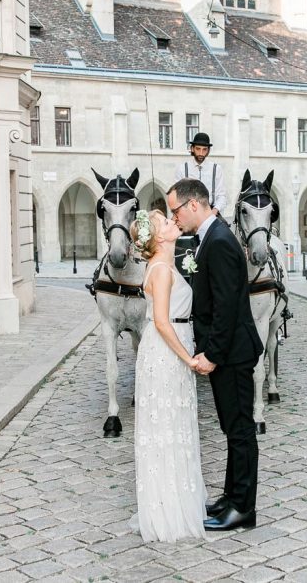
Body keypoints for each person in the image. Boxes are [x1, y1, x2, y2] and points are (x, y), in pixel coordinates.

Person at [167, 178, 263, 532]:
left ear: (194, 205)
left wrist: (211, 354)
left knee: (240, 432)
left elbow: (225, 308)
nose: (173, 217)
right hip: (229, 352)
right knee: (231, 428)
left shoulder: (219, 240)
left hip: (233, 354)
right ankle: (231, 496)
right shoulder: (212, 235)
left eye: (175, 210)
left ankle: (243, 508)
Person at [127, 209, 208, 543]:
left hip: (171, 346)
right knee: (166, 426)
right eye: (164, 222)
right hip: (166, 351)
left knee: (175, 424)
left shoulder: (169, 264)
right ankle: (166, 511)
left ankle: (178, 499)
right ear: (157, 237)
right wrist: (188, 358)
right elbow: (161, 321)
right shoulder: (160, 269)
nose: (173, 222)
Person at [174, 132, 228, 217]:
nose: (201, 153)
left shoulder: (216, 169)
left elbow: (222, 196)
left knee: (224, 229)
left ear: (208, 150)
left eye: (204, 149)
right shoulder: (182, 168)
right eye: (198, 149)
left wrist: (214, 211)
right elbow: (176, 195)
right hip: (188, 214)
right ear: (192, 149)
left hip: (211, 212)